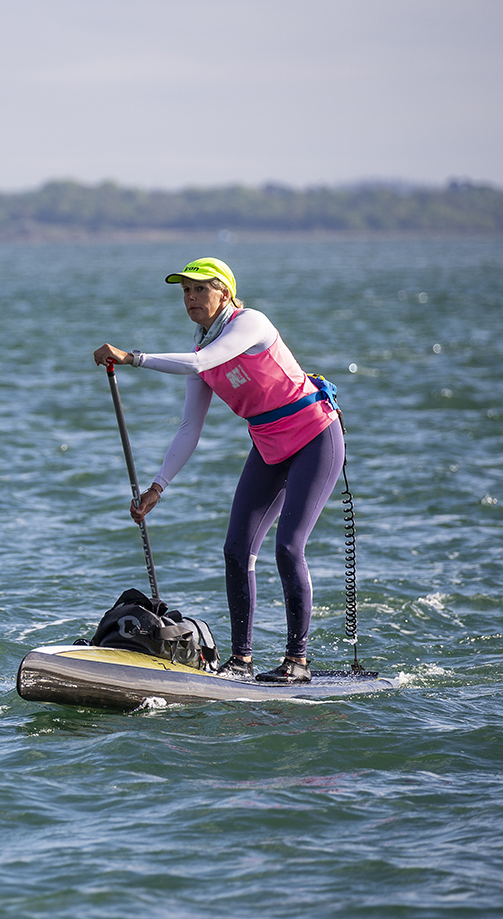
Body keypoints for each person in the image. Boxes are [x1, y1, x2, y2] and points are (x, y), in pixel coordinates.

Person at [92, 257, 344, 683]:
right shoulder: (201, 353)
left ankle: (296, 661)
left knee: (287, 547)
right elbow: (190, 428)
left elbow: (198, 363)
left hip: (316, 437)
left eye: (200, 289)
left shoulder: (251, 325)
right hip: (269, 446)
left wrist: (132, 357)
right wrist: (158, 487)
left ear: (224, 293)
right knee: (236, 549)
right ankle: (241, 660)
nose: (191, 297)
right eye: (185, 291)